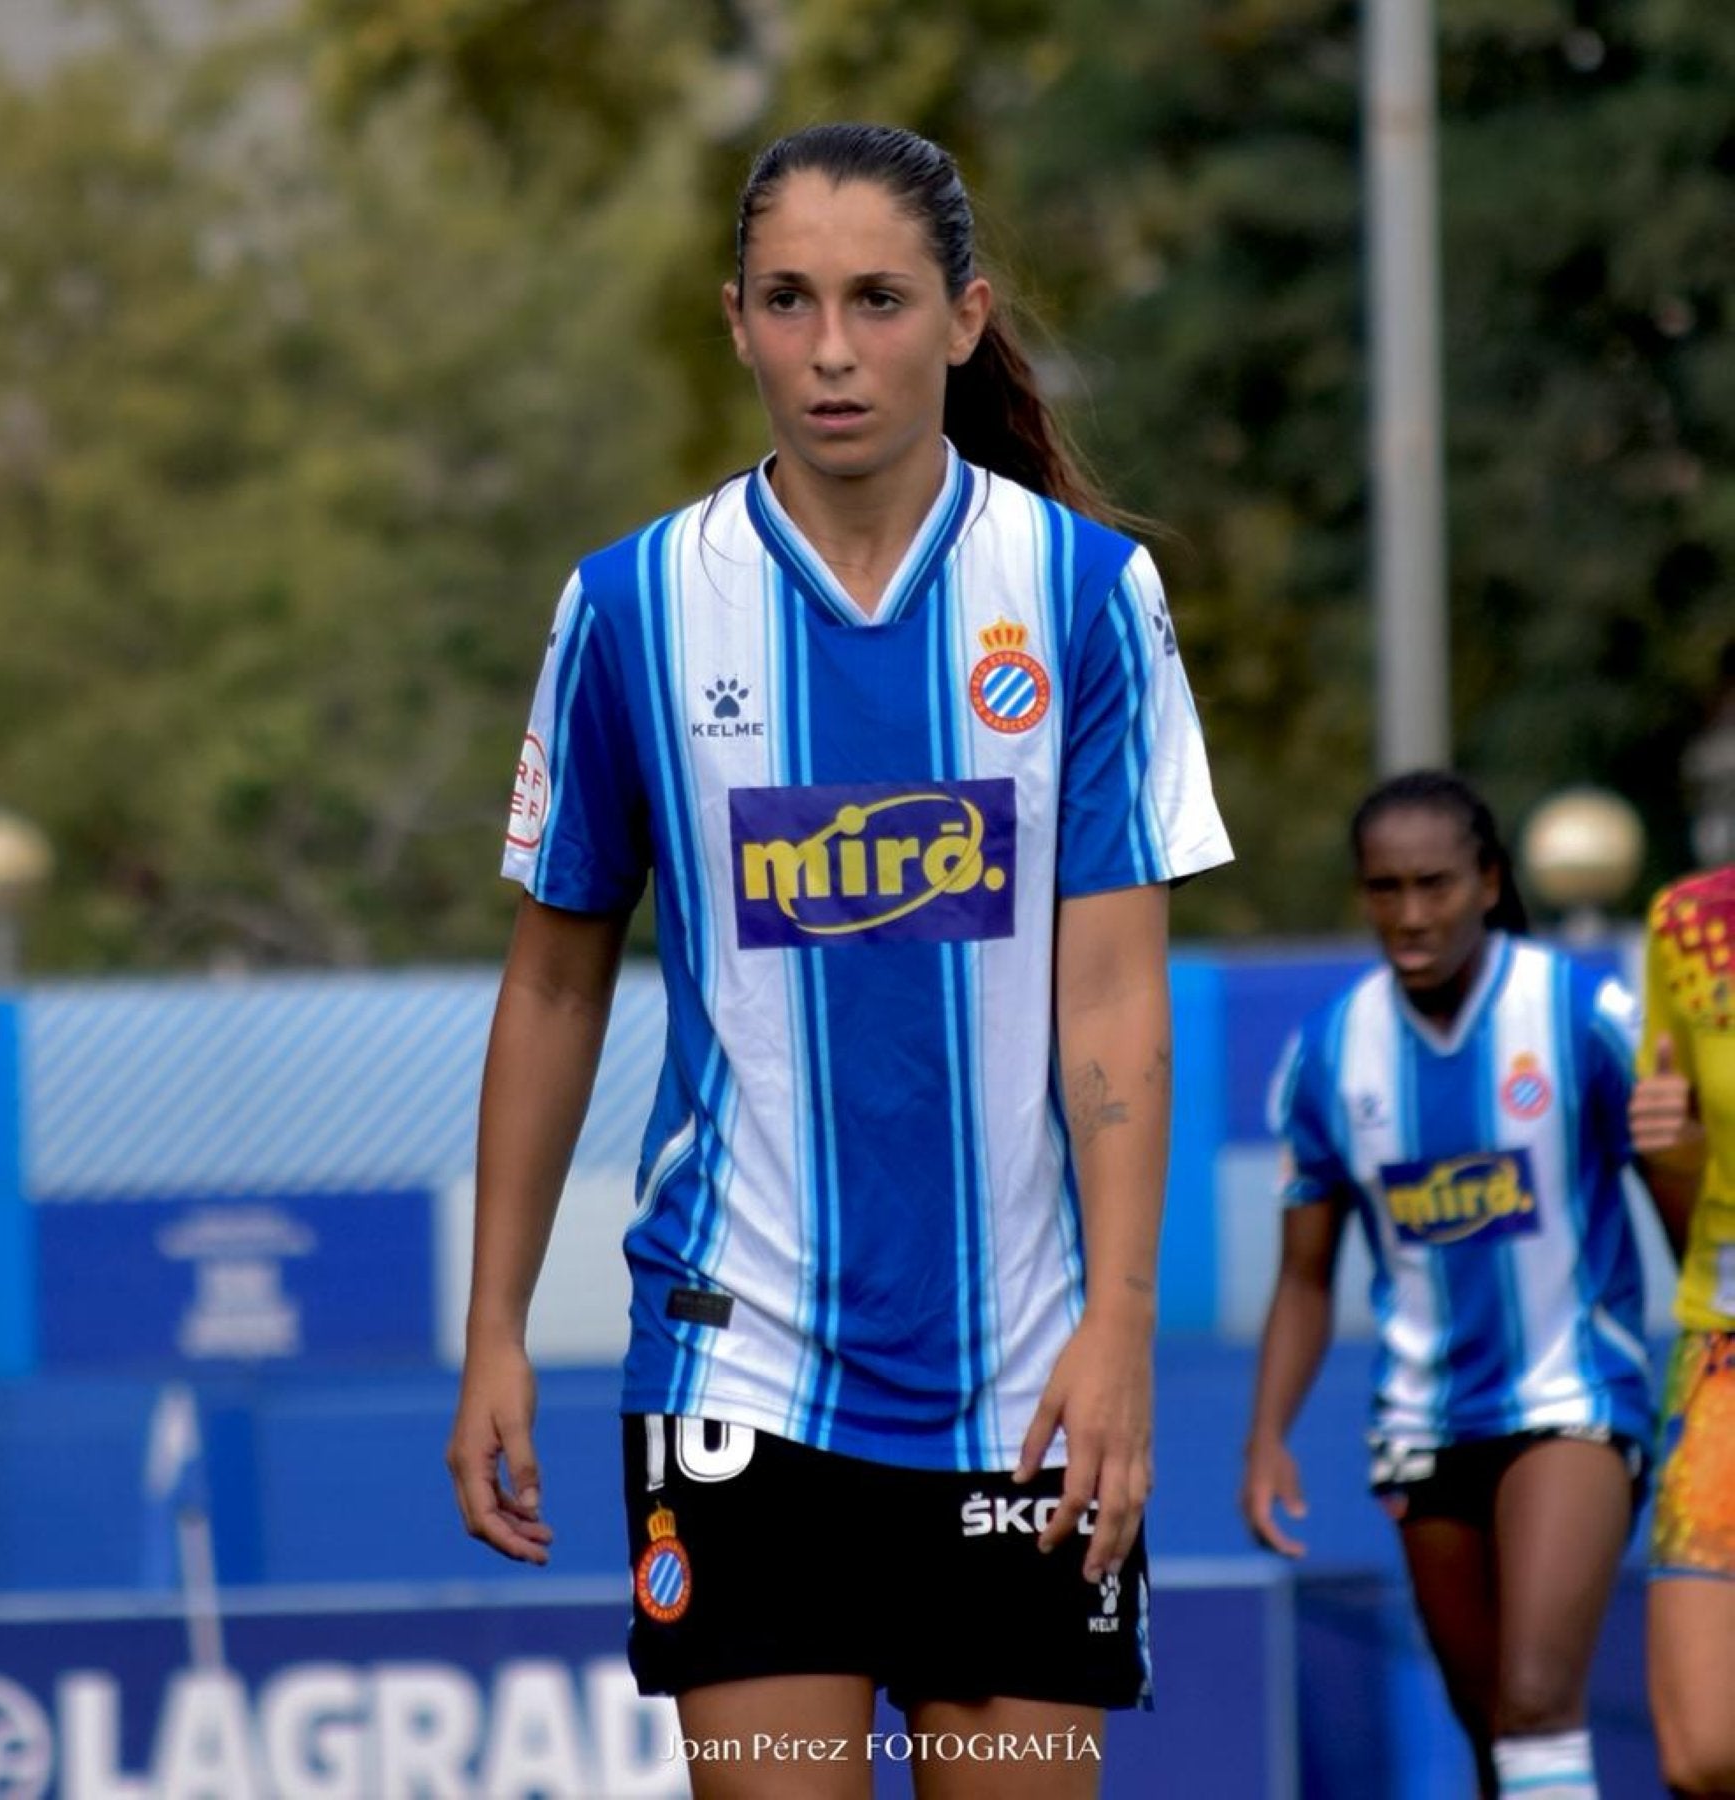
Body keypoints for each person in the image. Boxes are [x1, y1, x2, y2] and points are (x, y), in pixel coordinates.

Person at [446, 122, 1233, 1799]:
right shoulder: (633, 605)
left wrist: (1121, 1326)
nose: (830, 349)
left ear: (964, 316)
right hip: (739, 1371)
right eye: (789, 300)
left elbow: (1110, 996)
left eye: (877, 299)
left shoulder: (1088, 599)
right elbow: (554, 980)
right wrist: (494, 1325)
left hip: (1028, 1384)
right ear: (733, 319)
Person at [1240, 770, 1653, 1800]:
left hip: (1575, 1396)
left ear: (1487, 882)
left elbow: (1687, 1193)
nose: (1411, 913)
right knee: (1494, 1742)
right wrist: (1266, 1439)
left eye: (1434, 883)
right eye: (1385, 889)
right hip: (1425, 1427)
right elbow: (1303, 1278)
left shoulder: (1580, 1013)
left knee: (1536, 1699)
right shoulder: (1329, 1055)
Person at [1630, 864, 1735, 1797]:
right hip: (1722, 1356)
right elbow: (1679, 1172)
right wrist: (1674, 1147)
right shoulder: (1694, 925)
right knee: (1703, 1752)